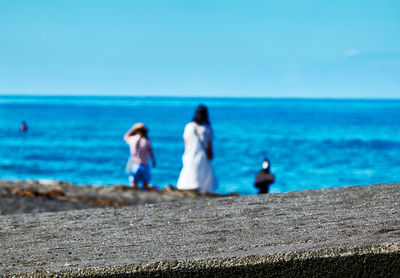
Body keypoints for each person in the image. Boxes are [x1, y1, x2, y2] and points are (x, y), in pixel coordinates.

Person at [177, 105, 217, 193]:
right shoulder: (207, 128)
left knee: (189, 171)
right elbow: (209, 144)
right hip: (202, 155)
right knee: (202, 173)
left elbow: (186, 142)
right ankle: (200, 190)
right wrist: (210, 153)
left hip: (190, 153)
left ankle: (190, 189)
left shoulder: (189, 126)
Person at [124, 123, 156, 190]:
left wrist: (134, 129)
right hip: (141, 164)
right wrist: (153, 160)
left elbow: (126, 136)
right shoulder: (145, 141)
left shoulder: (134, 139)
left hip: (138, 164)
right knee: (142, 184)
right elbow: (150, 152)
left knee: (137, 184)